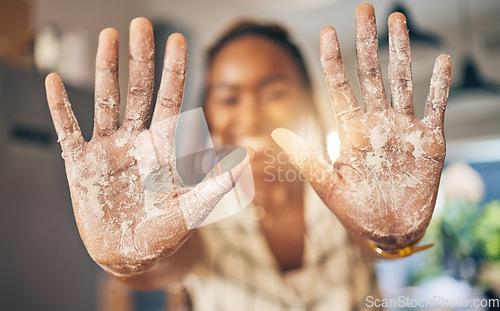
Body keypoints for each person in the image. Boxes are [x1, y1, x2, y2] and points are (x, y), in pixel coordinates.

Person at [44, 2, 451, 310]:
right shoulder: (185, 210)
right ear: (208, 113)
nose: (251, 114)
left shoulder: (349, 190)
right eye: (229, 98)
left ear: (308, 101)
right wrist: (127, 262)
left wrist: (394, 236)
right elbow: (165, 265)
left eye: (275, 92)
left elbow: (376, 247)